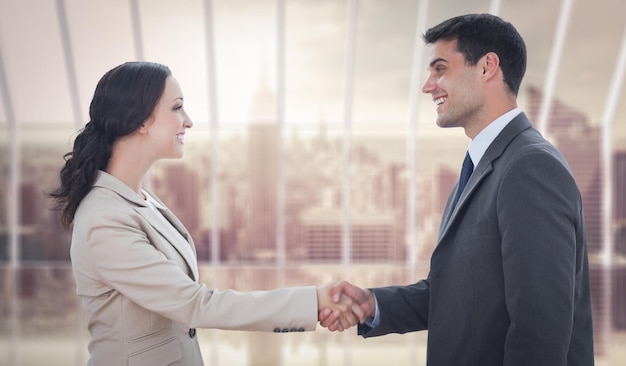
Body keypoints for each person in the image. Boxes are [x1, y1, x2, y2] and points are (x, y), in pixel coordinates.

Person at [320, 13, 595, 366]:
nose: (428, 85)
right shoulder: (482, 168)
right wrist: (372, 304)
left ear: (486, 67)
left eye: (440, 69)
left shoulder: (530, 168)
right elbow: (456, 295)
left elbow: (539, 329)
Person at [49, 61, 359, 366]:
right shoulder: (105, 218)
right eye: (176, 107)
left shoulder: (141, 200)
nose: (188, 121)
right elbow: (195, 304)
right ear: (140, 120)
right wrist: (313, 301)